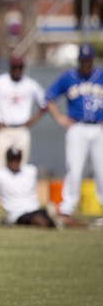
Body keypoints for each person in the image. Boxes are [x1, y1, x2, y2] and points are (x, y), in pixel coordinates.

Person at [46, 43, 103, 227]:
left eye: (88, 60)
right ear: (78, 60)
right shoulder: (69, 77)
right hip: (77, 127)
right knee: (74, 169)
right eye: (82, 60)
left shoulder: (100, 75)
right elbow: (48, 97)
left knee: (102, 171)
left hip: (98, 128)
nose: (85, 63)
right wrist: (60, 119)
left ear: (92, 60)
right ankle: (66, 210)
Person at [0, 148, 81, 229]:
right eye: (12, 160)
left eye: (17, 159)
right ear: (7, 160)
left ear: (21, 159)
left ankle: (87, 226)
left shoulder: (30, 171)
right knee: (39, 219)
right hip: (17, 214)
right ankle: (53, 223)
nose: (14, 163)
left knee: (61, 218)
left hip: (34, 208)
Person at [0, 55, 47, 171]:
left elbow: (45, 103)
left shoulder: (30, 84)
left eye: (20, 67)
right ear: (10, 67)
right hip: (4, 129)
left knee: (22, 168)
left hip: (22, 129)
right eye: (15, 67)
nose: (17, 70)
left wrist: (32, 120)